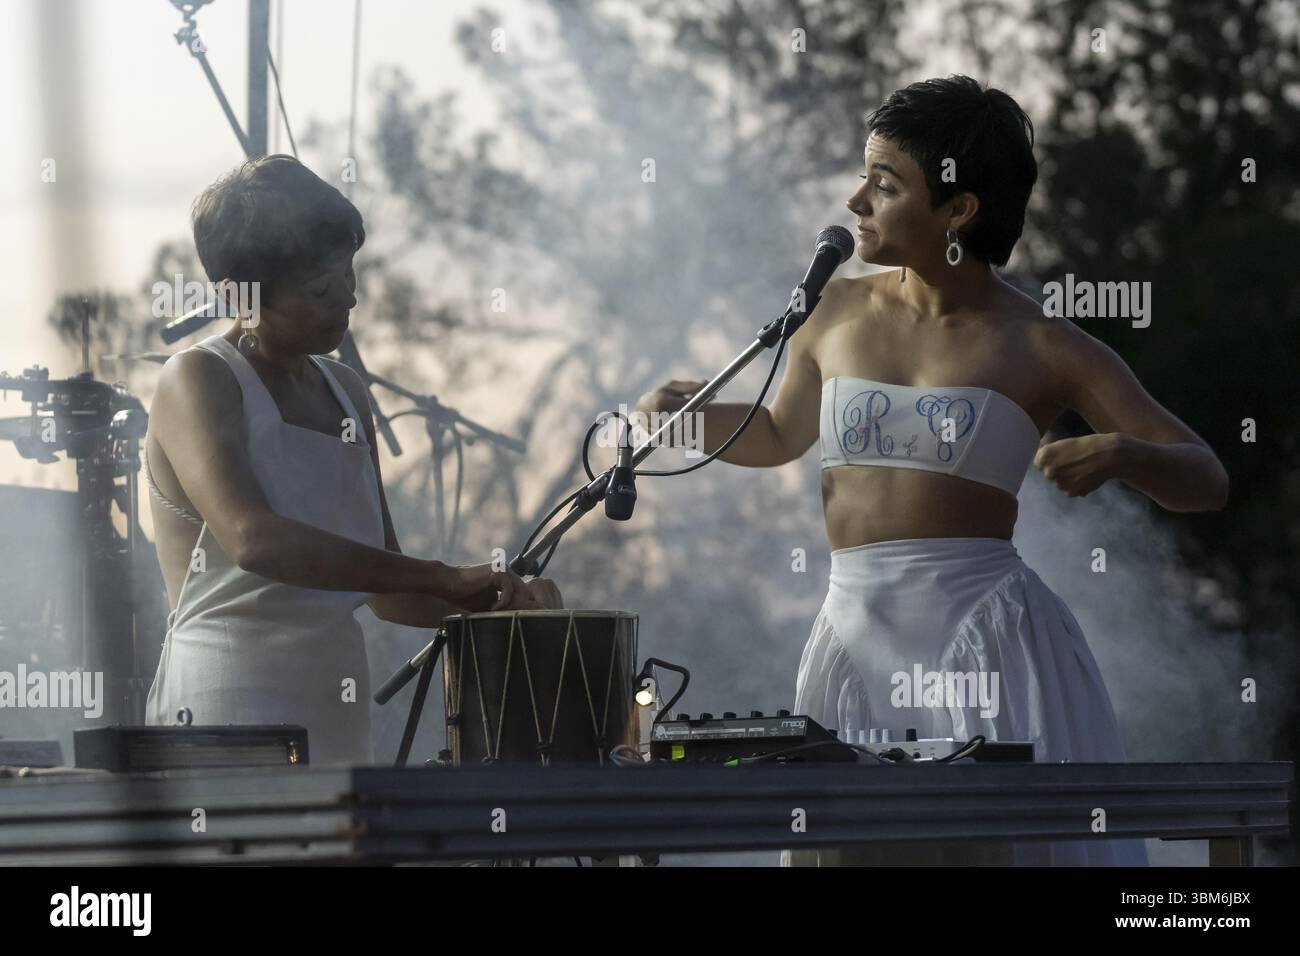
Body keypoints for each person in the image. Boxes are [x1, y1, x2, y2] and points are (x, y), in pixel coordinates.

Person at [638, 76, 1228, 865]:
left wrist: (1124, 453)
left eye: (885, 184)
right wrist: (680, 420)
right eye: (865, 177)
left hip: (989, 635)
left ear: (958, 210)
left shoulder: (1043, 344)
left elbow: (1207, 477)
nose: (856, 201)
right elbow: (778, 435)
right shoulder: (832, 309)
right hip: (852, 626)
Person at [143, 155, 560, 765]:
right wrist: (441, 575)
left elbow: (388, 590)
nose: (350, 298)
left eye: (348, 274)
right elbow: (254, 541)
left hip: (333, 697)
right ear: (242, 294)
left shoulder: (346, 391)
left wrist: (494, 602)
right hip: (228, 697)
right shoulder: (199, 378)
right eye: (320, 288)